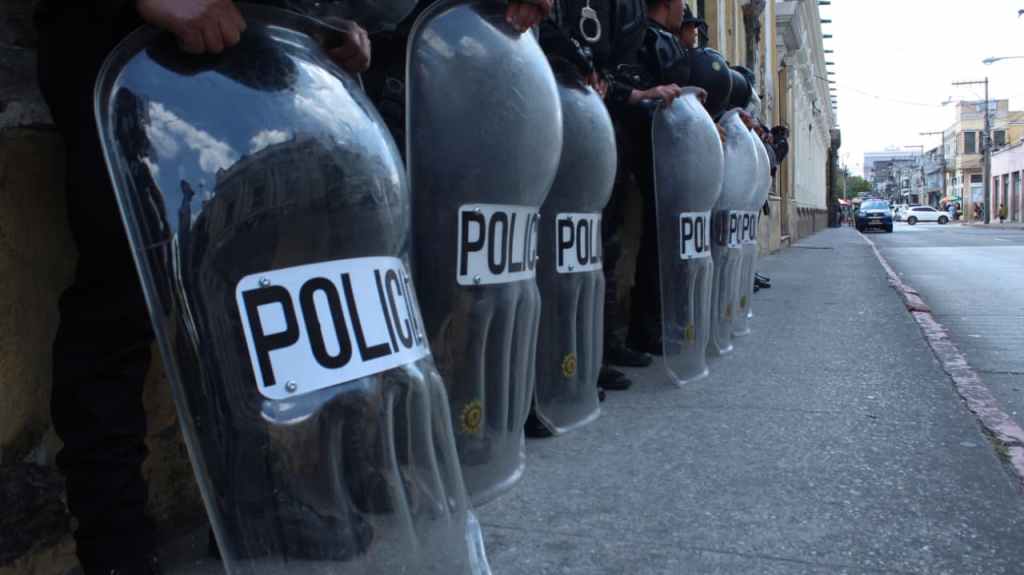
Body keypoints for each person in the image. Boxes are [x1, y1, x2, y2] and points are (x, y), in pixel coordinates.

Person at [33, 1, 371, 573]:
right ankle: (116, 545)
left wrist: (327, 21)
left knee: (245, 290)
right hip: (124, 44)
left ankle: (248, 504)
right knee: (120, 296)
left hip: (246, 55)